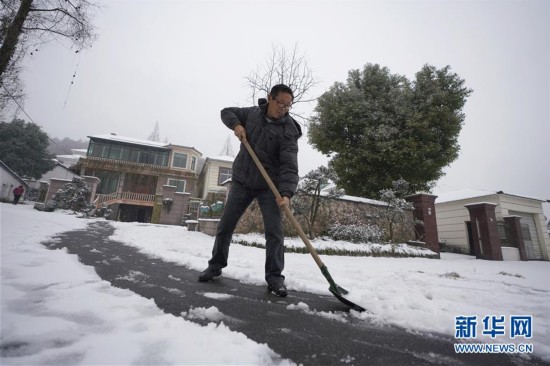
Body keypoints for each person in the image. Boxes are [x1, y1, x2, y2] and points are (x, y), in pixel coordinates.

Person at [198, 84, 302, 297]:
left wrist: (286, 193)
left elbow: (289, 166)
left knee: (274, 233)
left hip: (268, 187)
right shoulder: (252, 114)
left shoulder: (288, 130)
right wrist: (236, 124)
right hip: (242, 181)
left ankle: (274, 277)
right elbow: (226, 112)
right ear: (270, 99)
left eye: (288, 106)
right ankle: (215, 266)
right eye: (280, 103)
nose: (283, 108)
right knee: (225, 226)